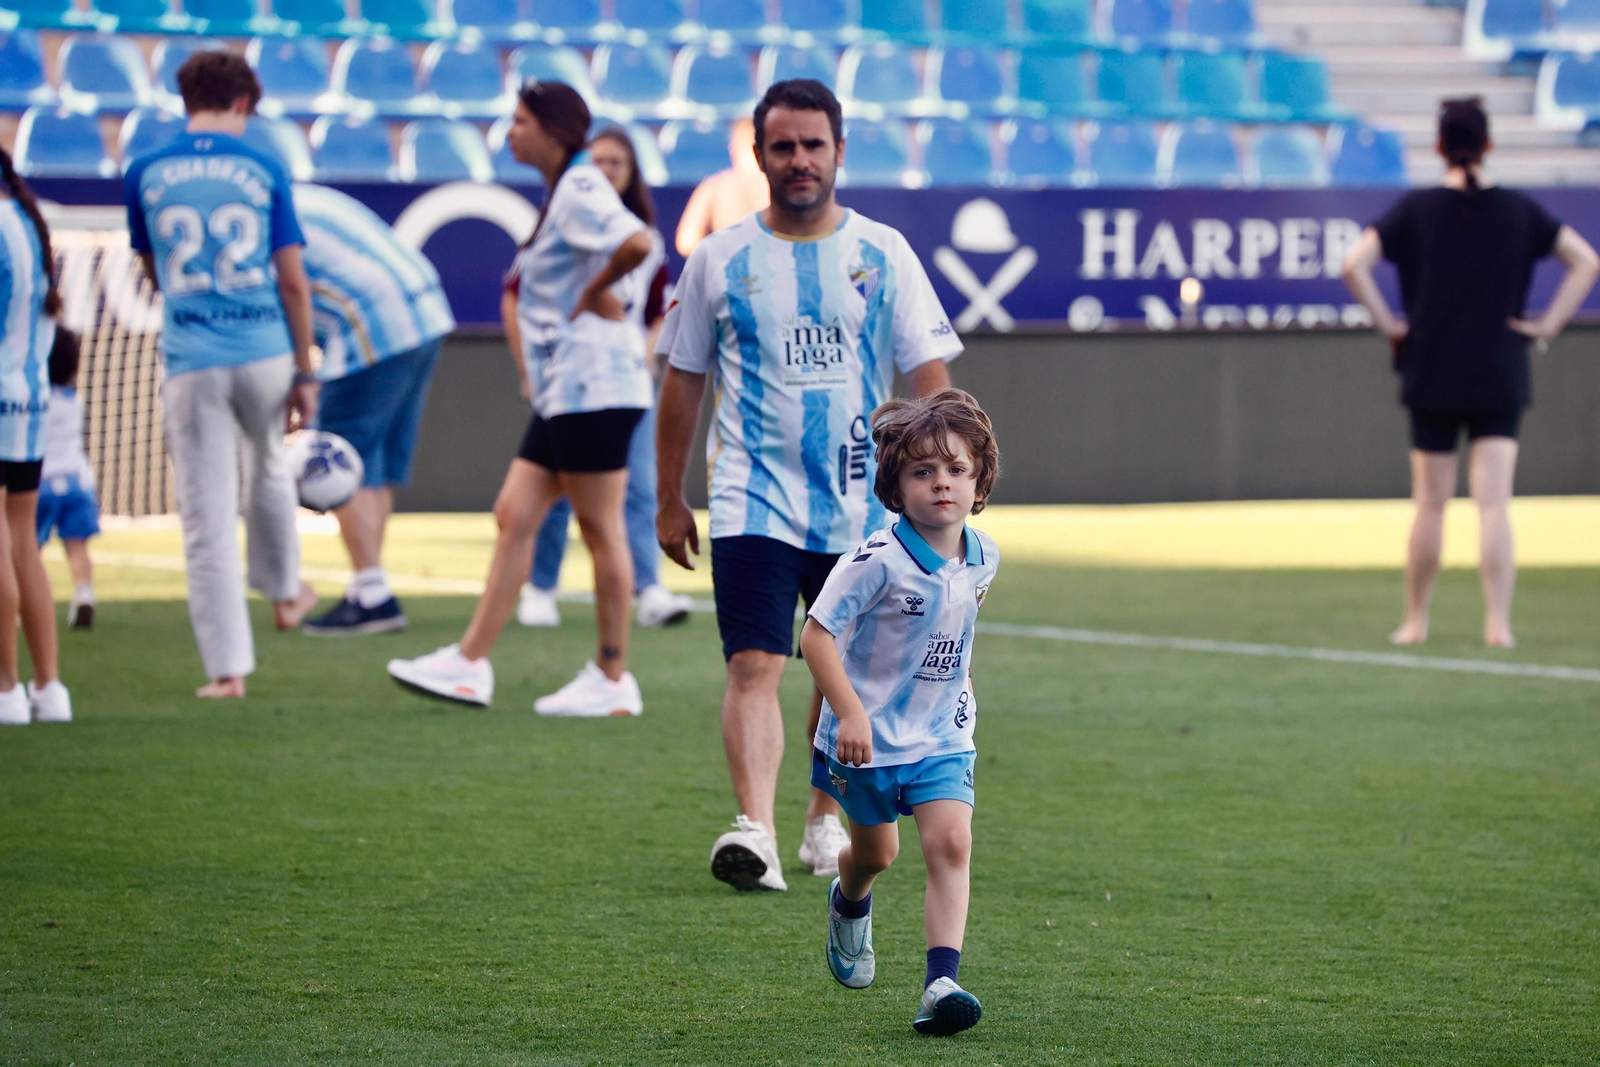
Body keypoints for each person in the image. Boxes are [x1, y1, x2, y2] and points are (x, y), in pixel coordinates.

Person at [655, 79, 963, 891]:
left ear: (839, 152)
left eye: (812, 145)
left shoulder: (884, 253)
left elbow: (930, 384)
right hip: (750, 497)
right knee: (755, 661)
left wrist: (944, 490)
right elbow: (683, 380)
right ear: (758, 155)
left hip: (863, 503)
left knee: (849, 671)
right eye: (783, 146)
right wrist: (666, 495)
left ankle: (824, 822)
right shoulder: (717, 259)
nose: (798, 160)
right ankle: (753, 827)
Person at [387, 81, 654, 716]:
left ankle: (613, 677)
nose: (510, 131)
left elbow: (639, 242)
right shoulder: (565, 188)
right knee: (514, 512)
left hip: (595, 385)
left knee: (600, 529)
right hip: (570, 387)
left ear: (554, 132)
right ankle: (469, 663)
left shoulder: (583, 184)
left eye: (520, 120)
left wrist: (596, 293)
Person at [1342, 97, 1599, 648]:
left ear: (1439, 146)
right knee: (1493, 503)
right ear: (1488, 144)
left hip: (1431, 366)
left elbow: (1353, 264)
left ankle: (1416, 621)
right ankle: (1497, 625)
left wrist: (1390, 325)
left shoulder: (1416, 210)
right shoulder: (1518, 212)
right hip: (1499, 368)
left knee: (1430, 502)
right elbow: (1586, 261)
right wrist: (1547, 326)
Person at [802, 389, 999, 1037]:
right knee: (876, 854)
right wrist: (850, 713)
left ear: (979, 481)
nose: (942, 483)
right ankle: (848, 901)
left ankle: (941, 982)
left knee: (952, 841)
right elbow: (817, 635)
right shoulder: (875, 561)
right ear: (895, 484)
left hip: (943, 734)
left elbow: (958, 626)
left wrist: (962, 683)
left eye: (956, 470)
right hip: (867, 741)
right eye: (923, 470)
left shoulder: (984, 555)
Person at [124, 51, 319, 698]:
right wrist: (304, 367)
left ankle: (227, 670)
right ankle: (286, 593)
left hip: (192, 356)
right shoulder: (264, 166)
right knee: (266, 469)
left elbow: (151, 267)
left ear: (186, 99)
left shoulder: (145, 170)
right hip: (263, 346)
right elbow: (292, 280)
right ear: (243, 103)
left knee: (206, 515)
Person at [511, 126, 694, 632]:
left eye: (618, 162)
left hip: (622, 379)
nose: (607, 170)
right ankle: (541, 587)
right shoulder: (560, 223)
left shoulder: (642, 237)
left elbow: (659, 306)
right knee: (552, 495)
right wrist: (529, 365)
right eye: (599, 160)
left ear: (632, 173)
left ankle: (648, 587)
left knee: (637, 487)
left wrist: (645, 346)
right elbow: (515, 293)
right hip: (569, 373)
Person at [292, 182, 456, 636]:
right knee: (373, 464)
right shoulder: (305, 195)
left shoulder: (264, 216)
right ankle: (370, 587)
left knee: (342, 460)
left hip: (370, 324)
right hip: (425, 311)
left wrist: (300, 375)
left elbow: (289, 291)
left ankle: (373, 594)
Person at [0, 146, 71, 725]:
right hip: (30, 401)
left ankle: (5, 689)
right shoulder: (28, 222)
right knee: (22, 538)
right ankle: (49, 687)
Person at [37, 327, 100, 631]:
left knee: (26, 550)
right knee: (77, 547)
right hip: (78, 480)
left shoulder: (34, 400)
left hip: (41, 481)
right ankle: (84, 592)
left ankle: (25, 604)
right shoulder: (75, 400)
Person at [673, 117, 771, 258]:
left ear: (733, 149)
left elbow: (687, 242)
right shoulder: (787, 185)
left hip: (728, 274)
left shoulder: (715, 185)